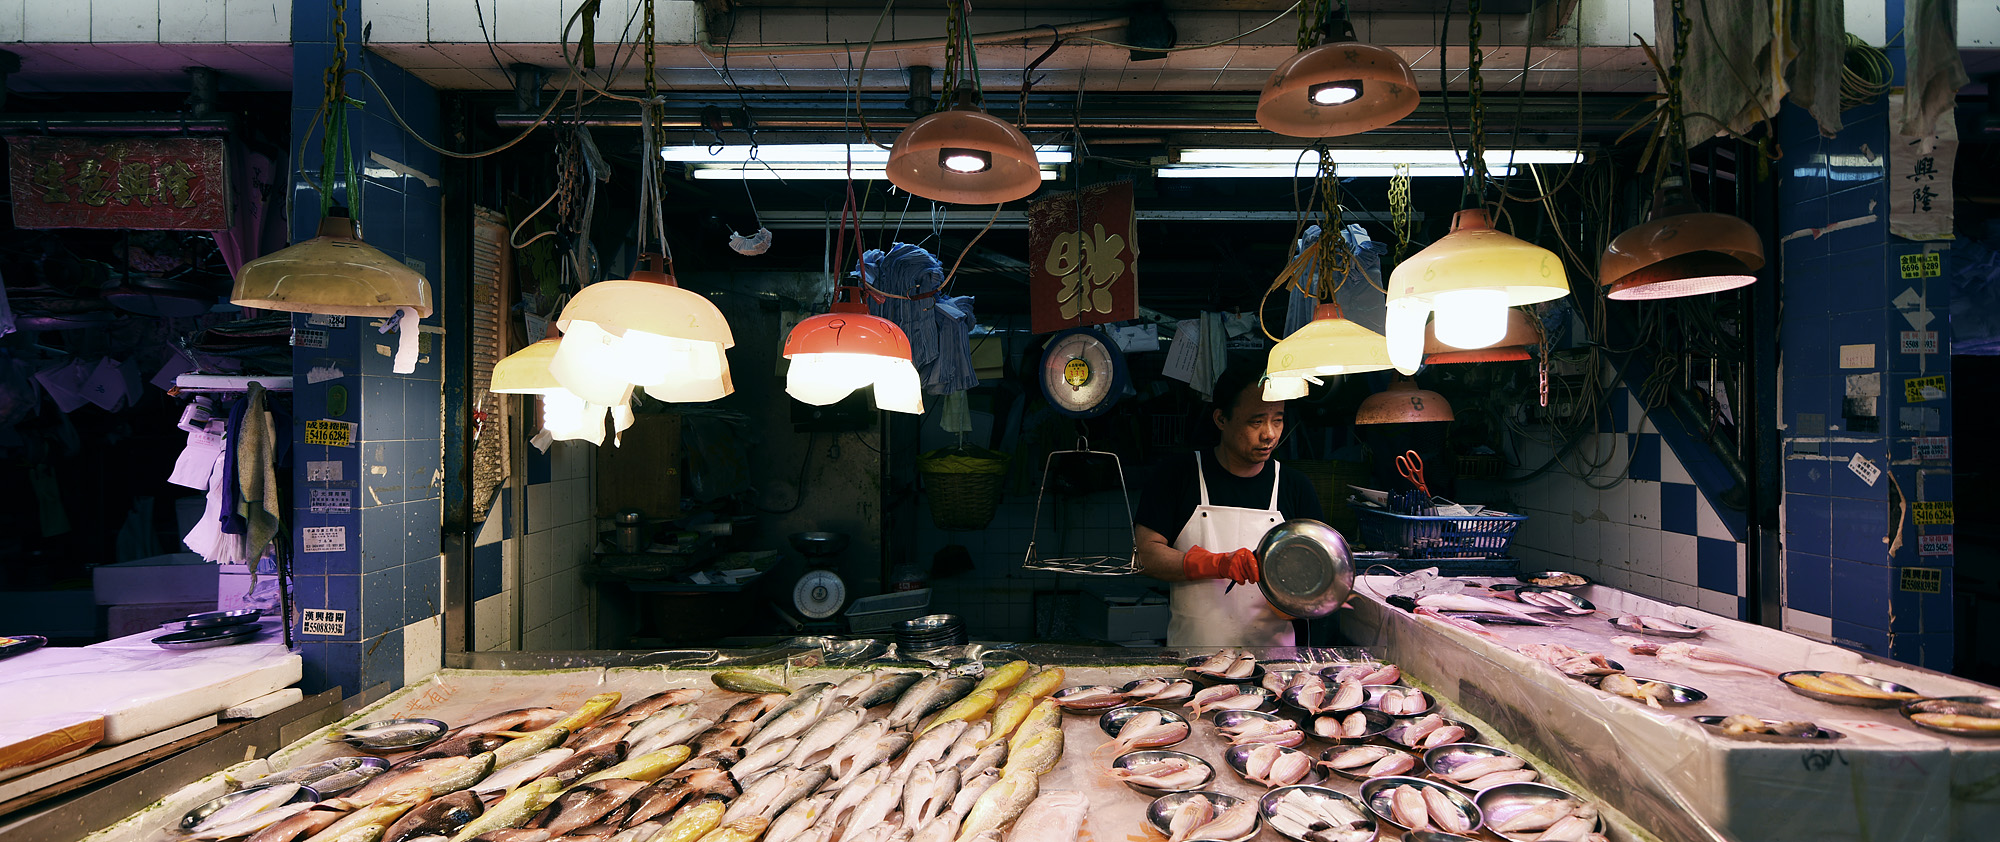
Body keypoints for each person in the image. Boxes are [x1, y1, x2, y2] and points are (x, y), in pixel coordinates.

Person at [1133, 360, 1324, 647]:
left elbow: (1317, 569)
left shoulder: (1296, 487)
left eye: (1278, 419)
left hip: (1275, 667)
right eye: (1256, 421)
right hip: (1192, 662)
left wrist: (1299, 600)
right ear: (1221, 419)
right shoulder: (1177, 475)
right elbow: (1144, 556)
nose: (1270, 434)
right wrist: (1218, 563)